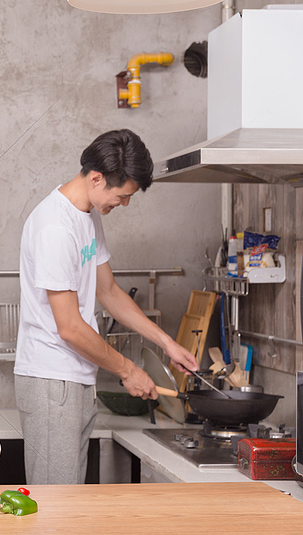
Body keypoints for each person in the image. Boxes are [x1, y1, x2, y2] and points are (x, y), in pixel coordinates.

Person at [13, 128, 199, 486]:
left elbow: (109, 291)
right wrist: (128, 370)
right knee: (57, 507)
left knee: (69, 499)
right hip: (53, 380)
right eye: (122, 195)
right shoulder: (55, 227)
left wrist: (167, 343)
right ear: (96, 178)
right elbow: (69, 327)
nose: (124, 204)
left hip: (76, 378)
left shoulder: (87, 215)